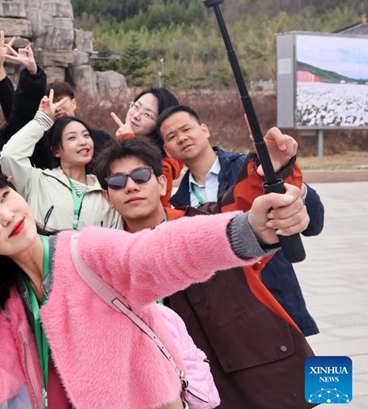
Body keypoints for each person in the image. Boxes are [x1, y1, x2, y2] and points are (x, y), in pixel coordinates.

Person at [0, 165, 309, 409]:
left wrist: (246, 230)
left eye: (4, 197)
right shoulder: (9, 307)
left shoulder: (85, 251)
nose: (7, 216)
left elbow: (157, 252)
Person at [95, 135, 316, 408]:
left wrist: (271, 168)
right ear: (107, 197)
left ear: (162, 183)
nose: (131, 187)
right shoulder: (109, 262)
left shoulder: (205, 220)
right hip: (189, 392)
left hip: (268, 374)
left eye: (140, 176)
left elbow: (246, 204)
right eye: (117, 182)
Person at [157, 105, 325, 336]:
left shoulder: (250, 168)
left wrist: (288, 179)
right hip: (229, 320)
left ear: (204, 130)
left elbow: (314, 224)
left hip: (275, 301)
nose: (182, 138)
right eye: (172, 136)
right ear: (167, 149)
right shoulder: (178, 203)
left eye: (186, 129)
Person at [0, 90, 120, 231]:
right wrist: (42, 121)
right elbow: (10, 155)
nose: (83, 142)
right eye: (72, 138)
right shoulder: (37, 182)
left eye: (86, 135)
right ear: (56, 150)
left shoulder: (106, 192)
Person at [111, 87, 181, 208]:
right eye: (136, 107)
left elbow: (159, 210)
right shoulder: (117, 143)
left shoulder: (163, 165)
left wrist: (129, 141)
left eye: (147, 114)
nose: (136, 115)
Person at [29, 81, 113, 170]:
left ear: (74, 103)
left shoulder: (101, 138)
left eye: (60, 101)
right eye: (51, 104)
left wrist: (123, 142)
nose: (57, 108)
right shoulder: (40, 145)